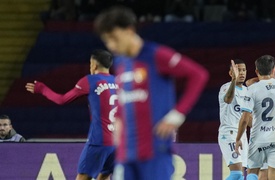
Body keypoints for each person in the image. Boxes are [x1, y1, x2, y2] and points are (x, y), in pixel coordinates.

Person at [94, 6, 209, 180]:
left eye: (114, 38)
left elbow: (198, 75)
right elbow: (122, 98)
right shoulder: (121, 63)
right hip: (126, 153)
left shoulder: (156, 55)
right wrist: (117, 120)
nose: (111, 45)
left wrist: (178, 114)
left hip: (154, 150)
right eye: (107, 41)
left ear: (129, 30)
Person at [25, 49, 117, 180]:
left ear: (94, 65)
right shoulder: (118, 81)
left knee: (83, 177)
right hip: (118, 141)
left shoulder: (90, 81)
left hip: (99, 141)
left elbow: (62, 100)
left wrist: (41, 89)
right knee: (105, 175)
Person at [235, 55, 275, 180]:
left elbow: (244, 118)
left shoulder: (252, 89)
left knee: (253, 172)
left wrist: (238, 139)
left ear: (257, 71)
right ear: (274, 69)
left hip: (259, 137)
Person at [218, 59, 248, 180]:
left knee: (241, 175)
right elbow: (228, 99)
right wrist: (233, 81)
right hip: (229, 133)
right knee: (236, 174)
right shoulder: (225, 88)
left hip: (243, 135)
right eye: (238, 70)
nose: (241, 73)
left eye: (244, 70)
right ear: (231, 73)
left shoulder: (247, 91)